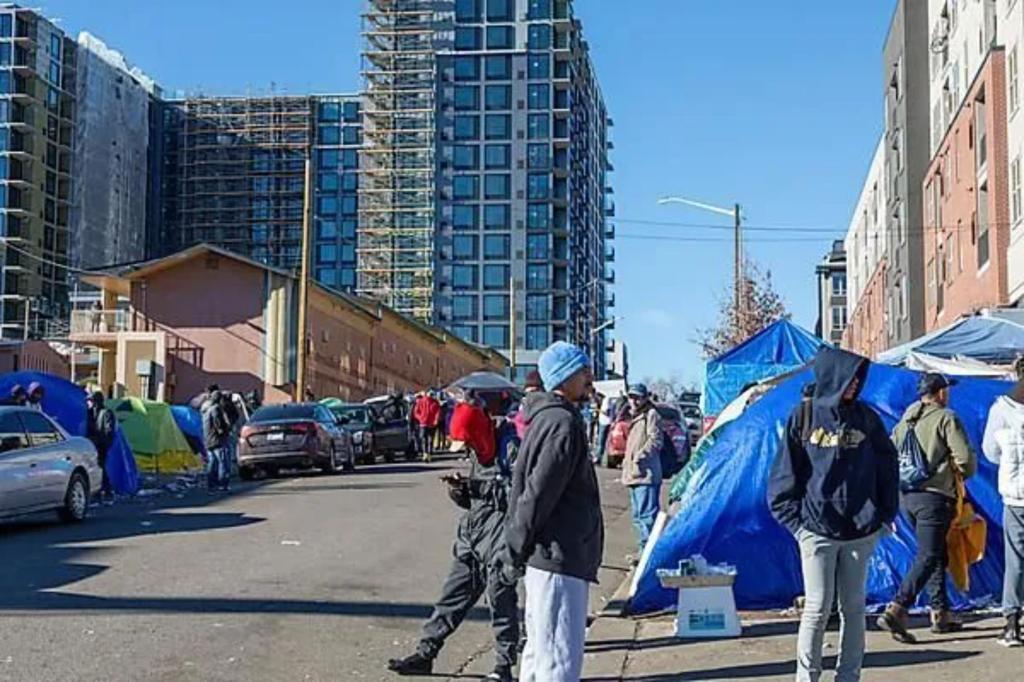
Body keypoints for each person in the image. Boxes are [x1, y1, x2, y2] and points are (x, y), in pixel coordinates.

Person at [768, 347, 899, 682]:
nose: (854, 385)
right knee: (816, 608)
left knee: (854, 609)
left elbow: (888, 466)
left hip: (861, 531)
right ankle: (806, 677)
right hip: (815, 530)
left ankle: (848, 676)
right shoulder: (804, 416)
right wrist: (796, 525)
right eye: (849, 378)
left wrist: (884, 516)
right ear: (831, 376)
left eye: (858, 378)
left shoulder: (867, 419)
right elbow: (785, 472)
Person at [388, 394, 521, 681]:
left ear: (478, 434)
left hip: (500, 540)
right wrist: (461, 492)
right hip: (473, 536)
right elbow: (477, 499)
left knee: (501, 603)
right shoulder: (479, 450)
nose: (467, 450)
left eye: (469, 443)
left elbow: (520, 497)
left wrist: (478, 488)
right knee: (451, 598)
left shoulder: (510, 446)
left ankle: (503, 667)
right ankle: (425, 653)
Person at [506, 342, 603, 682]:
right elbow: (538, 493)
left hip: (549, 555)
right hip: (558, 554)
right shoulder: (561, 423)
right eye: (582, 371)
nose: (589, 377)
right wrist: (517, 544)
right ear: (563, 379)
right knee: (558, 659)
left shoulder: (548, 419)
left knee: (540, 651)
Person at [877, 372, 977, 642]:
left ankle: (940, 613)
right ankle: (897, 608)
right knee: (929, 554)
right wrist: (959, 474)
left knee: (936, 552)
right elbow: (966, 460)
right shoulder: (946, 418)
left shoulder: (904, 422)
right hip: (936, 496)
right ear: (941, 393)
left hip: (908, 497)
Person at [982, 371, 1024, 647]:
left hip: (1016, 498)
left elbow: (989, 451)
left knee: (1016, 561)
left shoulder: (1001, 409)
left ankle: (1011, 624)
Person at [622, 383, 663, 561]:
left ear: (645, 398)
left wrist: (641, 455)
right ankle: (643, 550)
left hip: (646, 474)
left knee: (647, 516)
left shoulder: (651, 415)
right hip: (633, 474)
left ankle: (649, 553)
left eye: (638, 397)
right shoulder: (633, 416)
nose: (634, 400)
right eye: (631, 397)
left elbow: (656, 440)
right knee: (638, 516)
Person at [86, 391, 117, 504]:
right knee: (98, 467)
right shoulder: (91, 413)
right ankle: (101, 491)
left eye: (90, 401)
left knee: (100, 467)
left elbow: (109, 431)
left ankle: (106, 490)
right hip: (93, 445)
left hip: (101, 445)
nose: (88, 403)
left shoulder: (105, 413)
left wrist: (103, 442)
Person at [202, 390, 232, 492]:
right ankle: (223, 483)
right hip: (217, 440)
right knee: (222, 462)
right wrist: (224, 431)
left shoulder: (206, 410)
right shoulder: (216, 409)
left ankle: (211, 484)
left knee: (212, 463)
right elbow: (218, 424)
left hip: (208, 440)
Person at [413, 390, 441, 462]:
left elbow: (438, 412)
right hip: (423, 423)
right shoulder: (421, 401)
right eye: (429, 393)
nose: (431, 395)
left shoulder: (435, 402)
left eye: (432, 394)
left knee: (431, 439)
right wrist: (420, 418)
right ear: (426, 394)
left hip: (432, 423)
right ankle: (425, 453)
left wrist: (436, 420)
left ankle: (430, 453)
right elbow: (416, 412)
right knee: (424, 439)